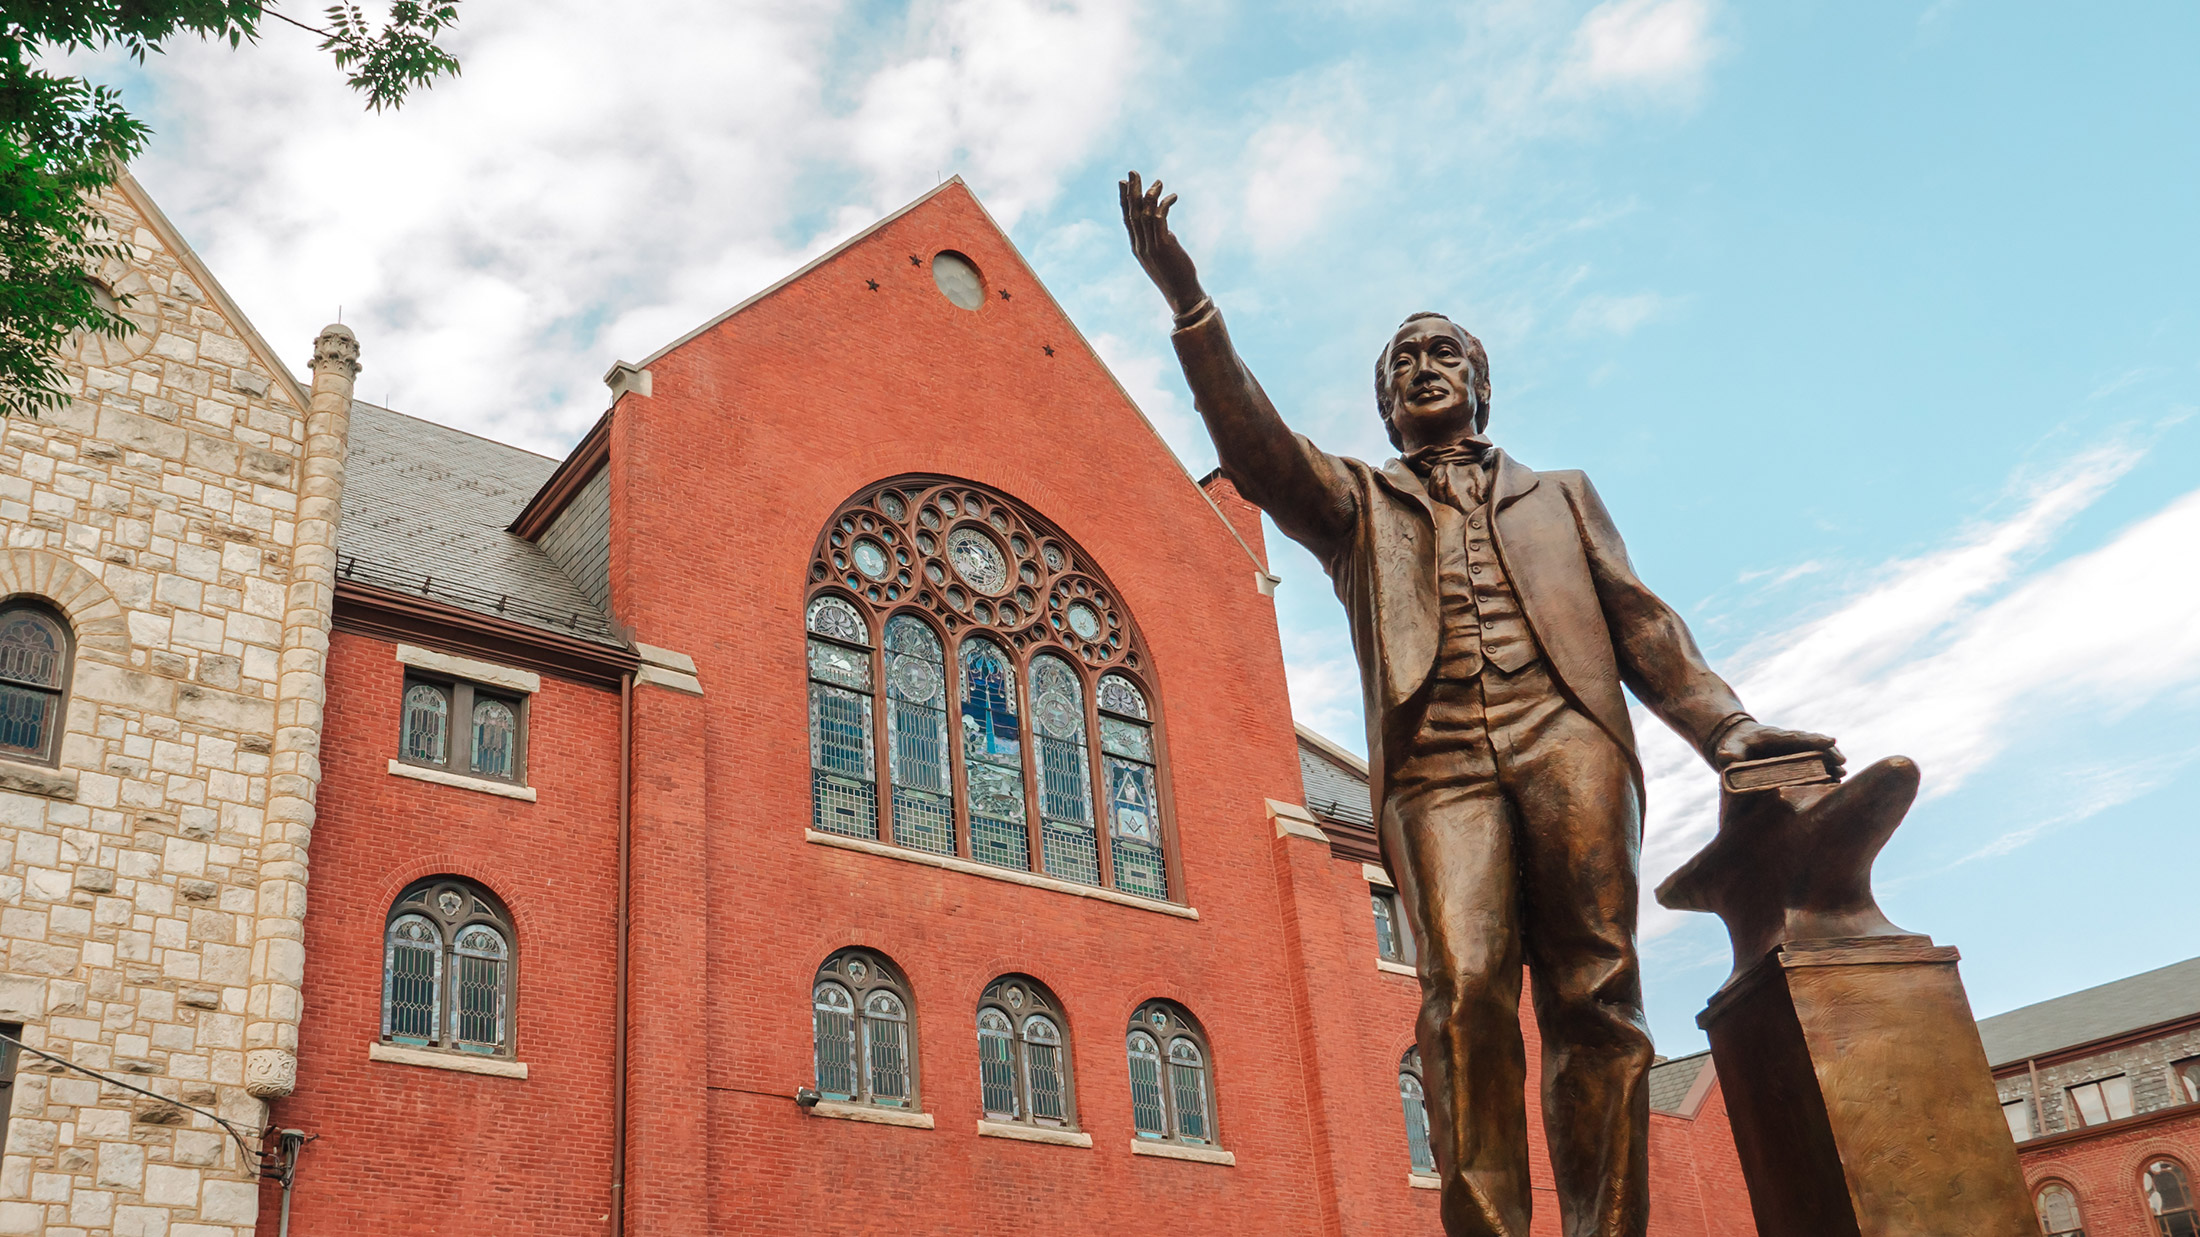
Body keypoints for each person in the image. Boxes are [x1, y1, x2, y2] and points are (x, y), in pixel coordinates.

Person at [1119, 172, 1839, 1237]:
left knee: (1596, 996)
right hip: (1436, 759)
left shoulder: (1563, 495)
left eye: (1441, 352)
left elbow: (1643, 624)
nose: (1422, 368)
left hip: (1568, 739)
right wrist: (1191, 308)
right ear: (1381, 401)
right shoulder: (1358, 502)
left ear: (1479, 386)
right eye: (1401, 361)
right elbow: (1257, 449)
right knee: (1462, 998)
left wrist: (1727, 731)